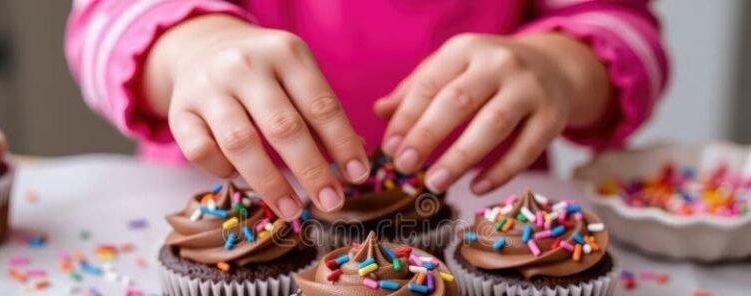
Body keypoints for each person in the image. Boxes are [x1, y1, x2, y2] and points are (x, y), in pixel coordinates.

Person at [65, 0, 669, 219]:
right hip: (223, 207)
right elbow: (104, 19)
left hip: (492, 213)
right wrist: (194, 47)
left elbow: (624, 28)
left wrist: (559, 68)